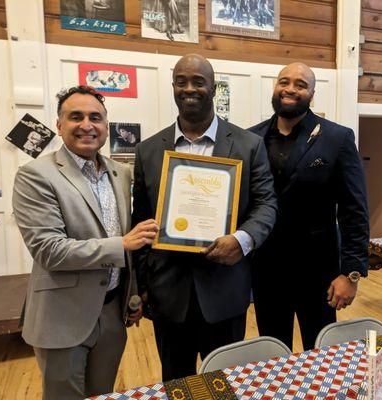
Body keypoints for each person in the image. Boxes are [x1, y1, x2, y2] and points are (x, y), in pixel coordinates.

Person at [133, 54, 277, 380]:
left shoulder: (248, 145)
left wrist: (241, 240)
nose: (189, 88)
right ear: (173, 87)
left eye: (198, 81)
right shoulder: (148, 151)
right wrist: (141, 285)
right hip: (168, 293)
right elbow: (139, 221)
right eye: (181, 81)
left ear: (213, 88)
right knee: (176, 382)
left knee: (225, 383)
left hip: (225, 292)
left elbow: (267, 204)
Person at [12, 85, 159, 399]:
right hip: (62, 316)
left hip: (111, 312)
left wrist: (131, 296)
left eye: (96, 117)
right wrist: (122, 244)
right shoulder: (35, 175)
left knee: (102, 393)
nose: (87, 125)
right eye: (75, 117)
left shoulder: (120, 173)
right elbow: (49, 250)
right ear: (59, 125)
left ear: (106, 126)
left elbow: (126, 240)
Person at [248, 62, 369, 351]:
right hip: (266, 271)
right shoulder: (250, 138)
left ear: (312, 94)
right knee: (273, 352)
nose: (290, 89)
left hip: (319, 273)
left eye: (300, 84)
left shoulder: (337, 138)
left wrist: (350, 274)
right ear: (275, 87)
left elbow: (354, 210)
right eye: (284, 81)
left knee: (320, 352)